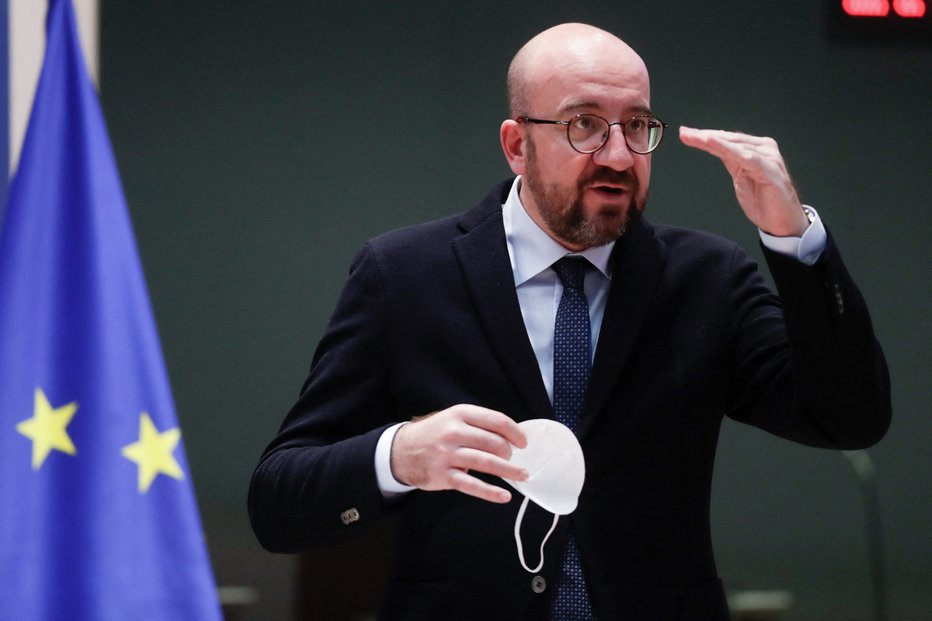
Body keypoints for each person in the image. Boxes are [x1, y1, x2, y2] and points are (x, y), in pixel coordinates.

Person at [248, 22, 890, 620]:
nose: (618, 154)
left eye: (636, 126)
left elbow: (849, 416)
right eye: (586, 124)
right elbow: (278, 504)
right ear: (517, 144)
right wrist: (399, 456)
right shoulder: (405, 274)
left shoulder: (705, 280)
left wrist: (791, 238)